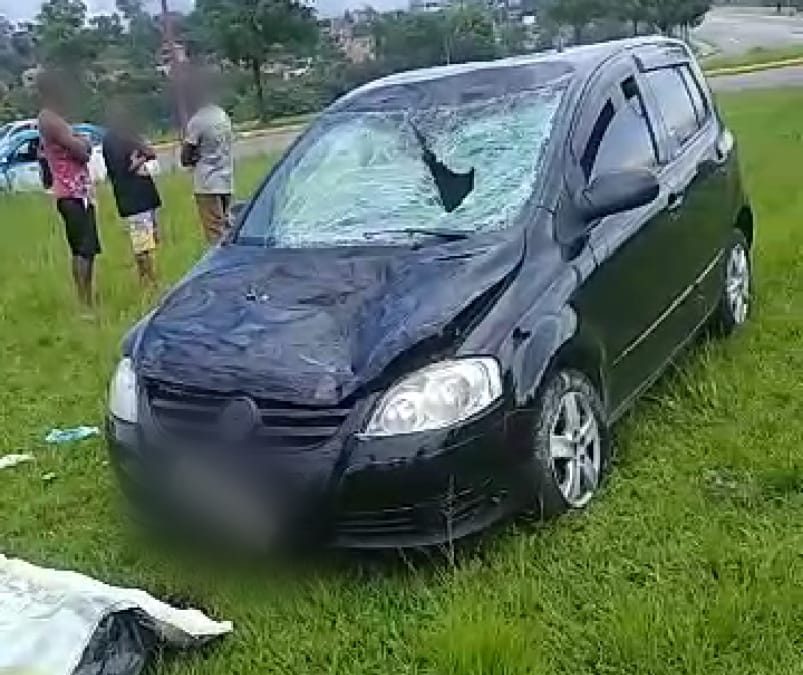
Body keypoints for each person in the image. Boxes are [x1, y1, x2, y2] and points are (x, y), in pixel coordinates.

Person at [37, 71, 99, 314]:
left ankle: (88, 298)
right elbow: (82, 151)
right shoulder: (51, 119)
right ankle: (85, 304)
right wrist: (81, 141)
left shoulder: (54, 119)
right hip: (72, 194)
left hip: (78, 193)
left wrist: (80, 140)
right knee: (83, 249)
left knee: (87, 249)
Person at [103, 103, 162, 287]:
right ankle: (147, 279)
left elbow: (150, 152)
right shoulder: (116, 141)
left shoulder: (123, 137)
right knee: (142, 241)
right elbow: (125, 169)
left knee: (148, 238)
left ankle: (148, 277)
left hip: (141, 194)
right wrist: (142, 158)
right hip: (134, 196)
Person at [181, 72, 234, 244]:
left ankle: (222, 267)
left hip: (206, 183)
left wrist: (194, 155)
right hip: (226, 179)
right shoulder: (222, 115)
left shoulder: (198, 121)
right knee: (227, 226)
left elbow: (185, 157)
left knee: (215, 234)